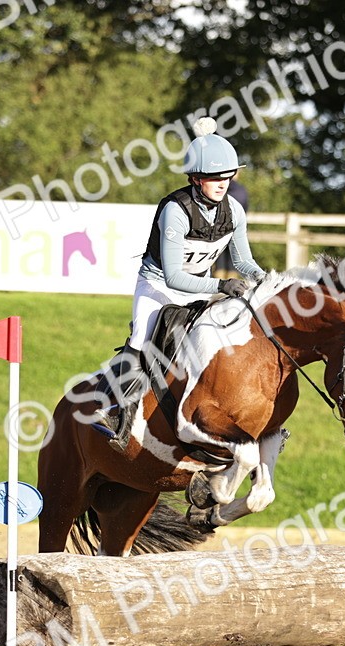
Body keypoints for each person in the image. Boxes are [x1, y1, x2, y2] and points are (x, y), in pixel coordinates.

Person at [94, 116, 268, 451]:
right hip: (159, 285)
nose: (222, 183)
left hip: (201, 286)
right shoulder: (175, 210)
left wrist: (267, 280)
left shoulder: (234, 210)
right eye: (214, 177)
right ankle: (113, 410)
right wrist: (221, 287)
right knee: (143, 337)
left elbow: (243, 261)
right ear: (195, 178)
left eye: (226, 176)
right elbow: (174, 277)